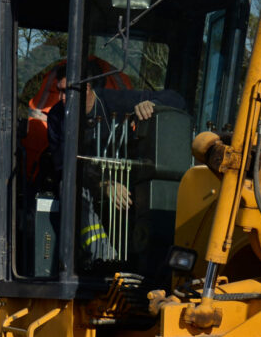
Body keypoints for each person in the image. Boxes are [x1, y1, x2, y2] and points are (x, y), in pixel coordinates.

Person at [46, 66, 185, 266]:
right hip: (86, 182)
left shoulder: (115, 101)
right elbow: (65, 165)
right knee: (68, 187)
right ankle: (103, 260)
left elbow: (177, 100)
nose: (61, 98)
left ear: (87, 88)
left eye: (67, 91)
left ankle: (146, 260)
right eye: (59, 91)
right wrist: (104, 185)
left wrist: (152, 104)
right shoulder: (57, 117)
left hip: (123, 180)